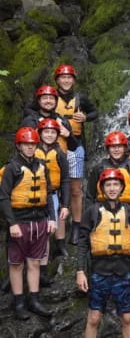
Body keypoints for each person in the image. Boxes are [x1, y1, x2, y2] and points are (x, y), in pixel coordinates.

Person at [85, 131, 130, 313]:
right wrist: (89, 220)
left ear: (125, 148)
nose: (116, 150)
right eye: (113, 147)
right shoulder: (99, 168)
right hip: (102, 212)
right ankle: (98, 289)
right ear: (108, 149)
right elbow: (90, 196)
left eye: (119, 146)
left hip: (128, 213)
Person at [76, 168, 130, 338]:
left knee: (127, 318)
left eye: (116, 184)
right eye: (108, 185)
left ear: (122, 188)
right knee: (94, 317)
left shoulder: (129, 211)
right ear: (102, 188)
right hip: (99, 272)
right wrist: (80, 271)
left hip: (124, 271)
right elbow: (83, 243)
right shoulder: (92, 211)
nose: (112, 188)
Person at [0, 127, 56, 320]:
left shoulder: (42, 166)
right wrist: (12, 223)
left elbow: (48, 194)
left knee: (34, 262)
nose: (30, 147)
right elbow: (3, 197)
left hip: (39, 221)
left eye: (33, 144)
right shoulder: (11, 168)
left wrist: (52, 219)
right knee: (16, 264)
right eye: (26, 144)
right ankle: (19, 303)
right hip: (19, 222)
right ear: (19, 146)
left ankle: (34, 299)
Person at [54, 64, 98, 246]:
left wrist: (86, 118)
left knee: (75, 190)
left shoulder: (81, 98)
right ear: (57, 80)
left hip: (75, 145)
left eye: (69, 77)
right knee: (54, 189)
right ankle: (58, 232)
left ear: (73, 80)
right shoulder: (49, 97)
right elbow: (32, 111)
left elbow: (95, 112)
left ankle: (77, 227)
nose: (66, 80)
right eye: (62, 77)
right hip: (53, 147)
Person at [35, 119, 70, 286]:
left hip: (53, 195)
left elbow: (65, 181)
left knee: (47, 231)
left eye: (53, 132)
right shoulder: (32, 151)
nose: (49, 135)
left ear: (57, 135)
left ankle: (42, 272)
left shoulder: (60, 154)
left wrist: (65, 205)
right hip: (33, 195)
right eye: (46, 132)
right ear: (40, 134)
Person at [21, 85, 78, 154]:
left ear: (56, 101)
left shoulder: (62, 121)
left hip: (59, 162)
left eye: (51, 98)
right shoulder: (30, 121)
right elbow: (21, 148)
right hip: (37, 162)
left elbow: (73, 147)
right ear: (39, 101)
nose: (48, 101)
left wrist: (68, 135)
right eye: (45, 98)